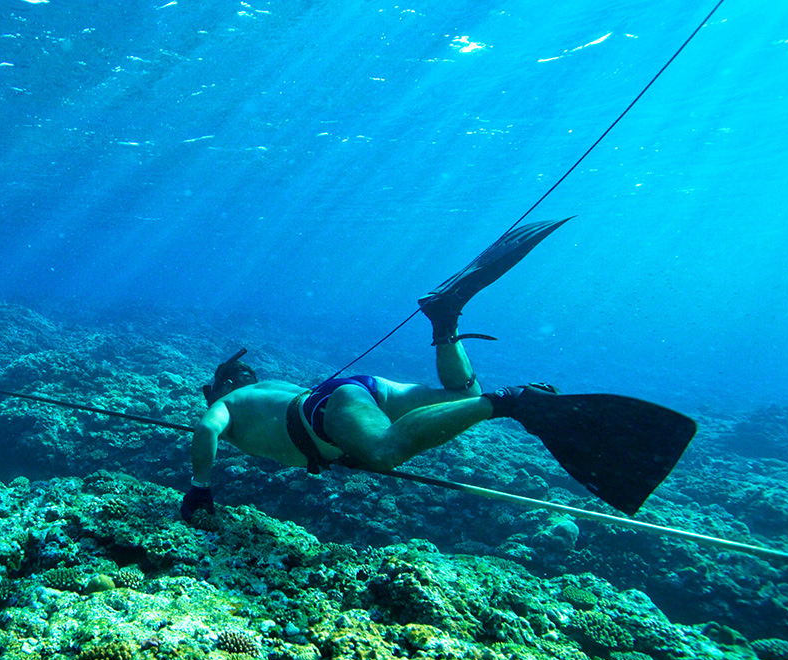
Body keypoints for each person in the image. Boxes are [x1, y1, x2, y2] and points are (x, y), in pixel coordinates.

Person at [180, 219, 574, 522]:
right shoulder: (268, 387)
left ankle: (510, 401)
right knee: (463, 397)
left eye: (208, 391)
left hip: (325, 410)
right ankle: (445, 320)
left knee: (384, 451)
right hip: (350, 394)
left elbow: (206, 429)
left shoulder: (229, 402)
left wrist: (200, 486)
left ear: (225, 384)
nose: (207, 399)